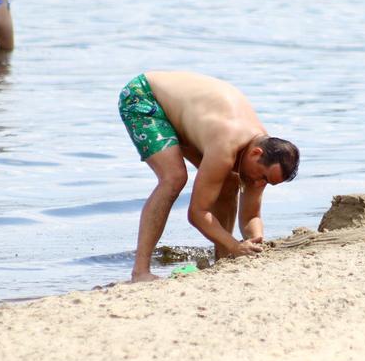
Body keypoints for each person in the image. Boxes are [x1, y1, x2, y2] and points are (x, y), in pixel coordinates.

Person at [118, 71, 300, 282]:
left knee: (229, 182)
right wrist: (235, 245)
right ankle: (140, 271)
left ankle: (222, 260)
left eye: (268, 183)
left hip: (190, 116)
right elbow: (197, 213)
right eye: (263, 178)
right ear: (255, 153)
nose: (259, 184)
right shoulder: (227, 146)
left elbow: (251, 215)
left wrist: (255, 241)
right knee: (174, 178)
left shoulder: (266, 153)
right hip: (144, 96)